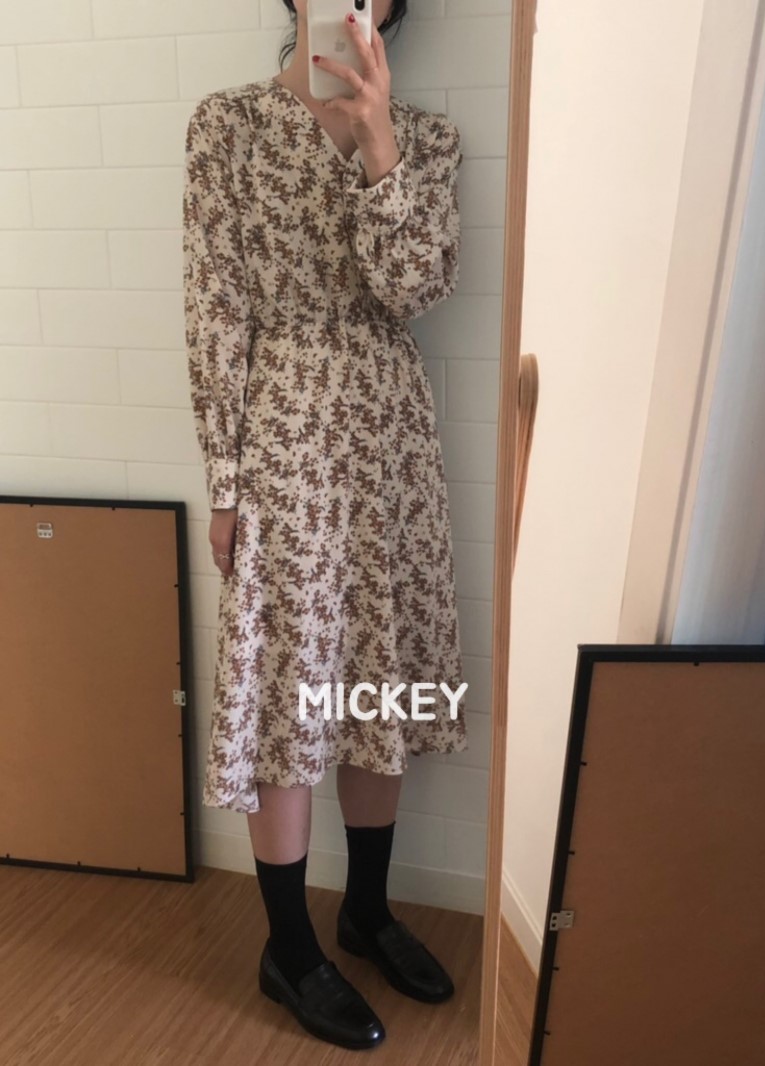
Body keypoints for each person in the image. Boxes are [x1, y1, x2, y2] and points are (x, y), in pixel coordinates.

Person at [182, 0, 468, 1050]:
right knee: (289, 682)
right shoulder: (226, 125)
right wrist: (225, 483)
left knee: (377, 672)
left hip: (389, 440)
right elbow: (214, 311)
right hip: (283, 438)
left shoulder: (428, 138)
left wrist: (380, 140)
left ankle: (368, 910)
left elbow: (416, 287)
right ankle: (290, 947)